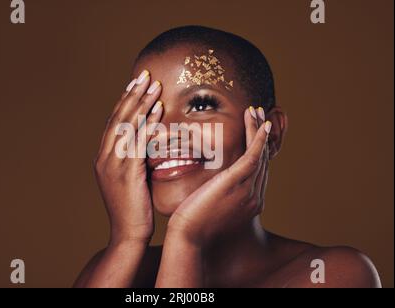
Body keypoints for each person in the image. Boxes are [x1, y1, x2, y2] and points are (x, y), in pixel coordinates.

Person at [74, 26, 381, 288]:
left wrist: (185, 240)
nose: (162, 133)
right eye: (147, 113)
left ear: (270, 132)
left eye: (201, 104)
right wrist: (126, 239)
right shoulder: (114, 268)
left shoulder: (332, 273)